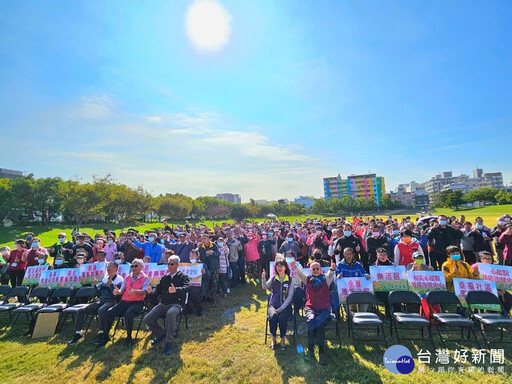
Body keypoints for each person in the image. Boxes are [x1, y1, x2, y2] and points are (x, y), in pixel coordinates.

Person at [290, 258, 335, 365]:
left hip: (324, 309)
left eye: (317, 268)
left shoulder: (326, 280)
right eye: (313, 268)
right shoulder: (308, 280)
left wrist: (332, 269)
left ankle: (321, 353)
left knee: (319, 324)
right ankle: (310, 351)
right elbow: (300, 275)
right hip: (311, 307)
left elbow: (330, 275)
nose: (315, 270)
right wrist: (295, 267)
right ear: (310, 270)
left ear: (321, 269)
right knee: (311, 321)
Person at [68, 261, 123, 345]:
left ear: (116, 268)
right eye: (107, 267)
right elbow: (98, 292)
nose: (108, 268)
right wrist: (95, 285)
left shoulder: (120, 279)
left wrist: (111, 285)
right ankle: (78, 333)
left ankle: (102, 333)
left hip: (112, 301)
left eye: (111, 266)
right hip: (101, 300)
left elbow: (116, 295)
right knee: (81, 310)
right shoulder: (105, 279)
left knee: (101, 310)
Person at [97, 258, 149, 347]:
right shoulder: (127, 277)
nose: (133, 268)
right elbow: (122, 290)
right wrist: (118, 291)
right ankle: (105, 336)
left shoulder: (145, 278)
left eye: (136, 266)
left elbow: (145, 291)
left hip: (137, 303)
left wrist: (135, 291)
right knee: (109, 312)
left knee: (128, 314)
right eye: (132, 266)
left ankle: (129, 338)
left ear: (141, 267)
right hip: (124, 302)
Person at [144, 255, 190, 355]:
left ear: (177, 265)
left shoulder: (183, 277)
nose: (169, 266)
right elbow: (158, 290)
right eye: (168, 264)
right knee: (148, 318)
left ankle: (169, 341)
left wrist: (176, 290)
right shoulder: (165, 277)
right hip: (164, 304)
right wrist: (151, 292)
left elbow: (187, 287)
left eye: (172, 264)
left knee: (170, 313)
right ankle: (160, 334)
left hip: (176, 304)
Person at [261, 258, 295, 350]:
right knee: (273, 317)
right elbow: (265, 286)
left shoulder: (290, 280)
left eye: (281, 266)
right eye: (277, 266)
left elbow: (290, 296)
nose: (279, 268)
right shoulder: (273, 278)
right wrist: (263, 278)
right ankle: (273, 338)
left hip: (286, 307)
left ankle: (283, 338)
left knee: (282, 318)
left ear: (285, 267)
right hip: (273, 305)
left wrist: (282, 308)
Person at [199, 234, 220, 303]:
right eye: (202, 239)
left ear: (208, 239)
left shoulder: (213, 245)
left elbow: (219, 254)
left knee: (214, 283)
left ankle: (212, 297)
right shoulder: (200, 247)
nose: (203, 240)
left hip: (214, 267)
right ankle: (206, 297)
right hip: (206, 268)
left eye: (205, 238)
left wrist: (213, 253)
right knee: (206, 283)